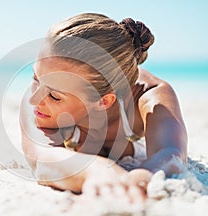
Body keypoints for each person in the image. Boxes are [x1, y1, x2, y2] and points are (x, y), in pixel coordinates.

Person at [20, 13, 187, 203]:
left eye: (55, 96)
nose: (34, 99)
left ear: (104, 101)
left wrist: (141, 176)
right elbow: (41, 158)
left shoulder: (148, 95)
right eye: (35, 78)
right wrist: (94, 170)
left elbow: (172, 153)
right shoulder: (41, 101)